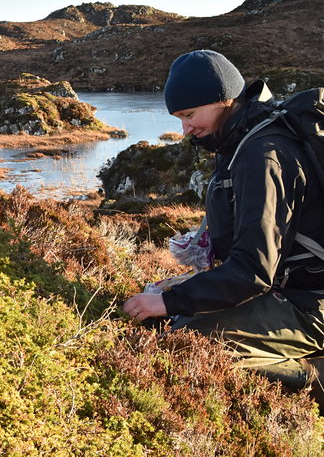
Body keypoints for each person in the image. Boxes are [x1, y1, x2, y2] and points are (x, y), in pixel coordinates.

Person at [122, 50, 324, 399]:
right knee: (174, 317)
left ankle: (312, 374)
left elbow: (253, 271)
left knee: (185, 342)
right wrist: (180, 295)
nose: (184, 129)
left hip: (309, 304)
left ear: (223, 99)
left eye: (189, 115)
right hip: (286, 286)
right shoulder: (240, 137)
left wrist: (171, 302)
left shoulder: (263, 157)